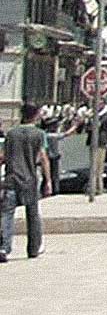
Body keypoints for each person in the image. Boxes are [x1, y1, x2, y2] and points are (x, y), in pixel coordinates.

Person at [1, 101, 50, 262]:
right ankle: (33, 248)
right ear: (35, 115)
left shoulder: (11, 134)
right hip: (30, 179)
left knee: (7, 214)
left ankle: (4, 247)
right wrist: (48, 180)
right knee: (33, 214)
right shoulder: (39, 134)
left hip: (11, 178)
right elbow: (43, 158)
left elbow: (3, 156)